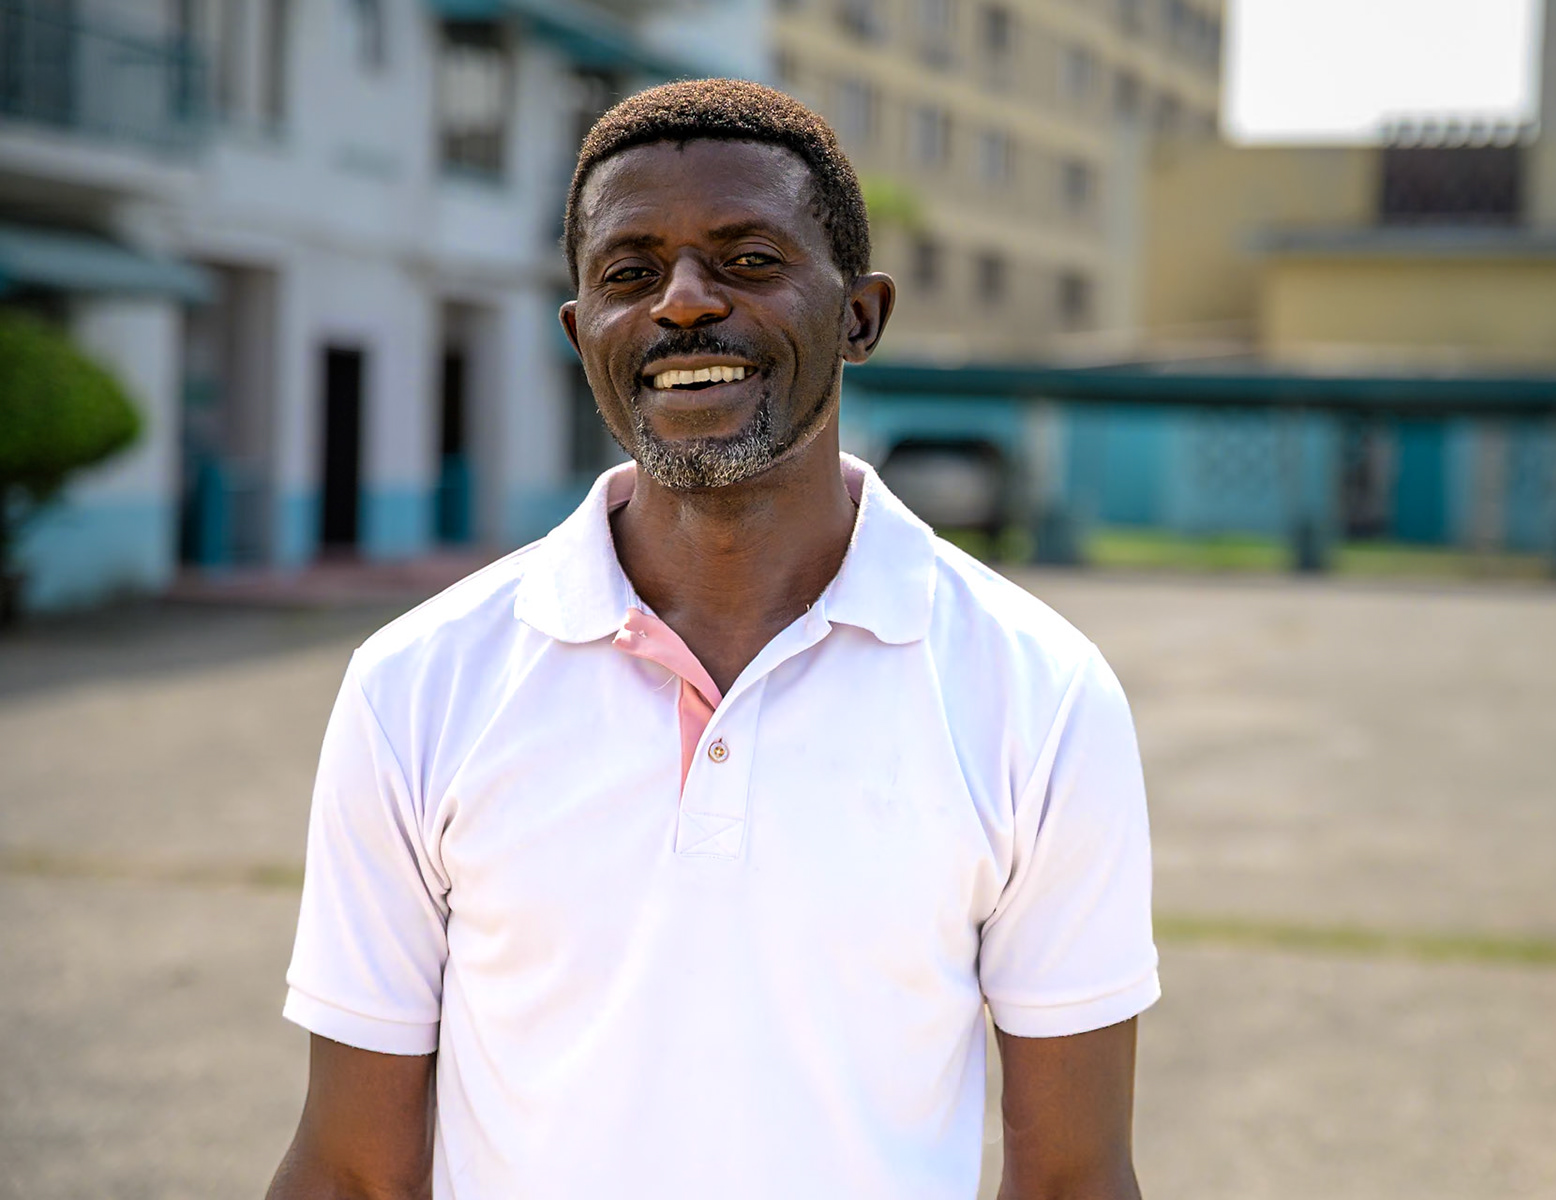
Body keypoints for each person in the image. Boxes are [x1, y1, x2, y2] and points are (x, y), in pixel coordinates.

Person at [266, 78, 1157, 1199]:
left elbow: (1075, 1177)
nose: (683, 303)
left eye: (747, 260)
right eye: (630, 273)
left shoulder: (1042, 692)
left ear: (862, 316)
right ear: (580, 331)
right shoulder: (416, 685)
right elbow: (350, 1171)